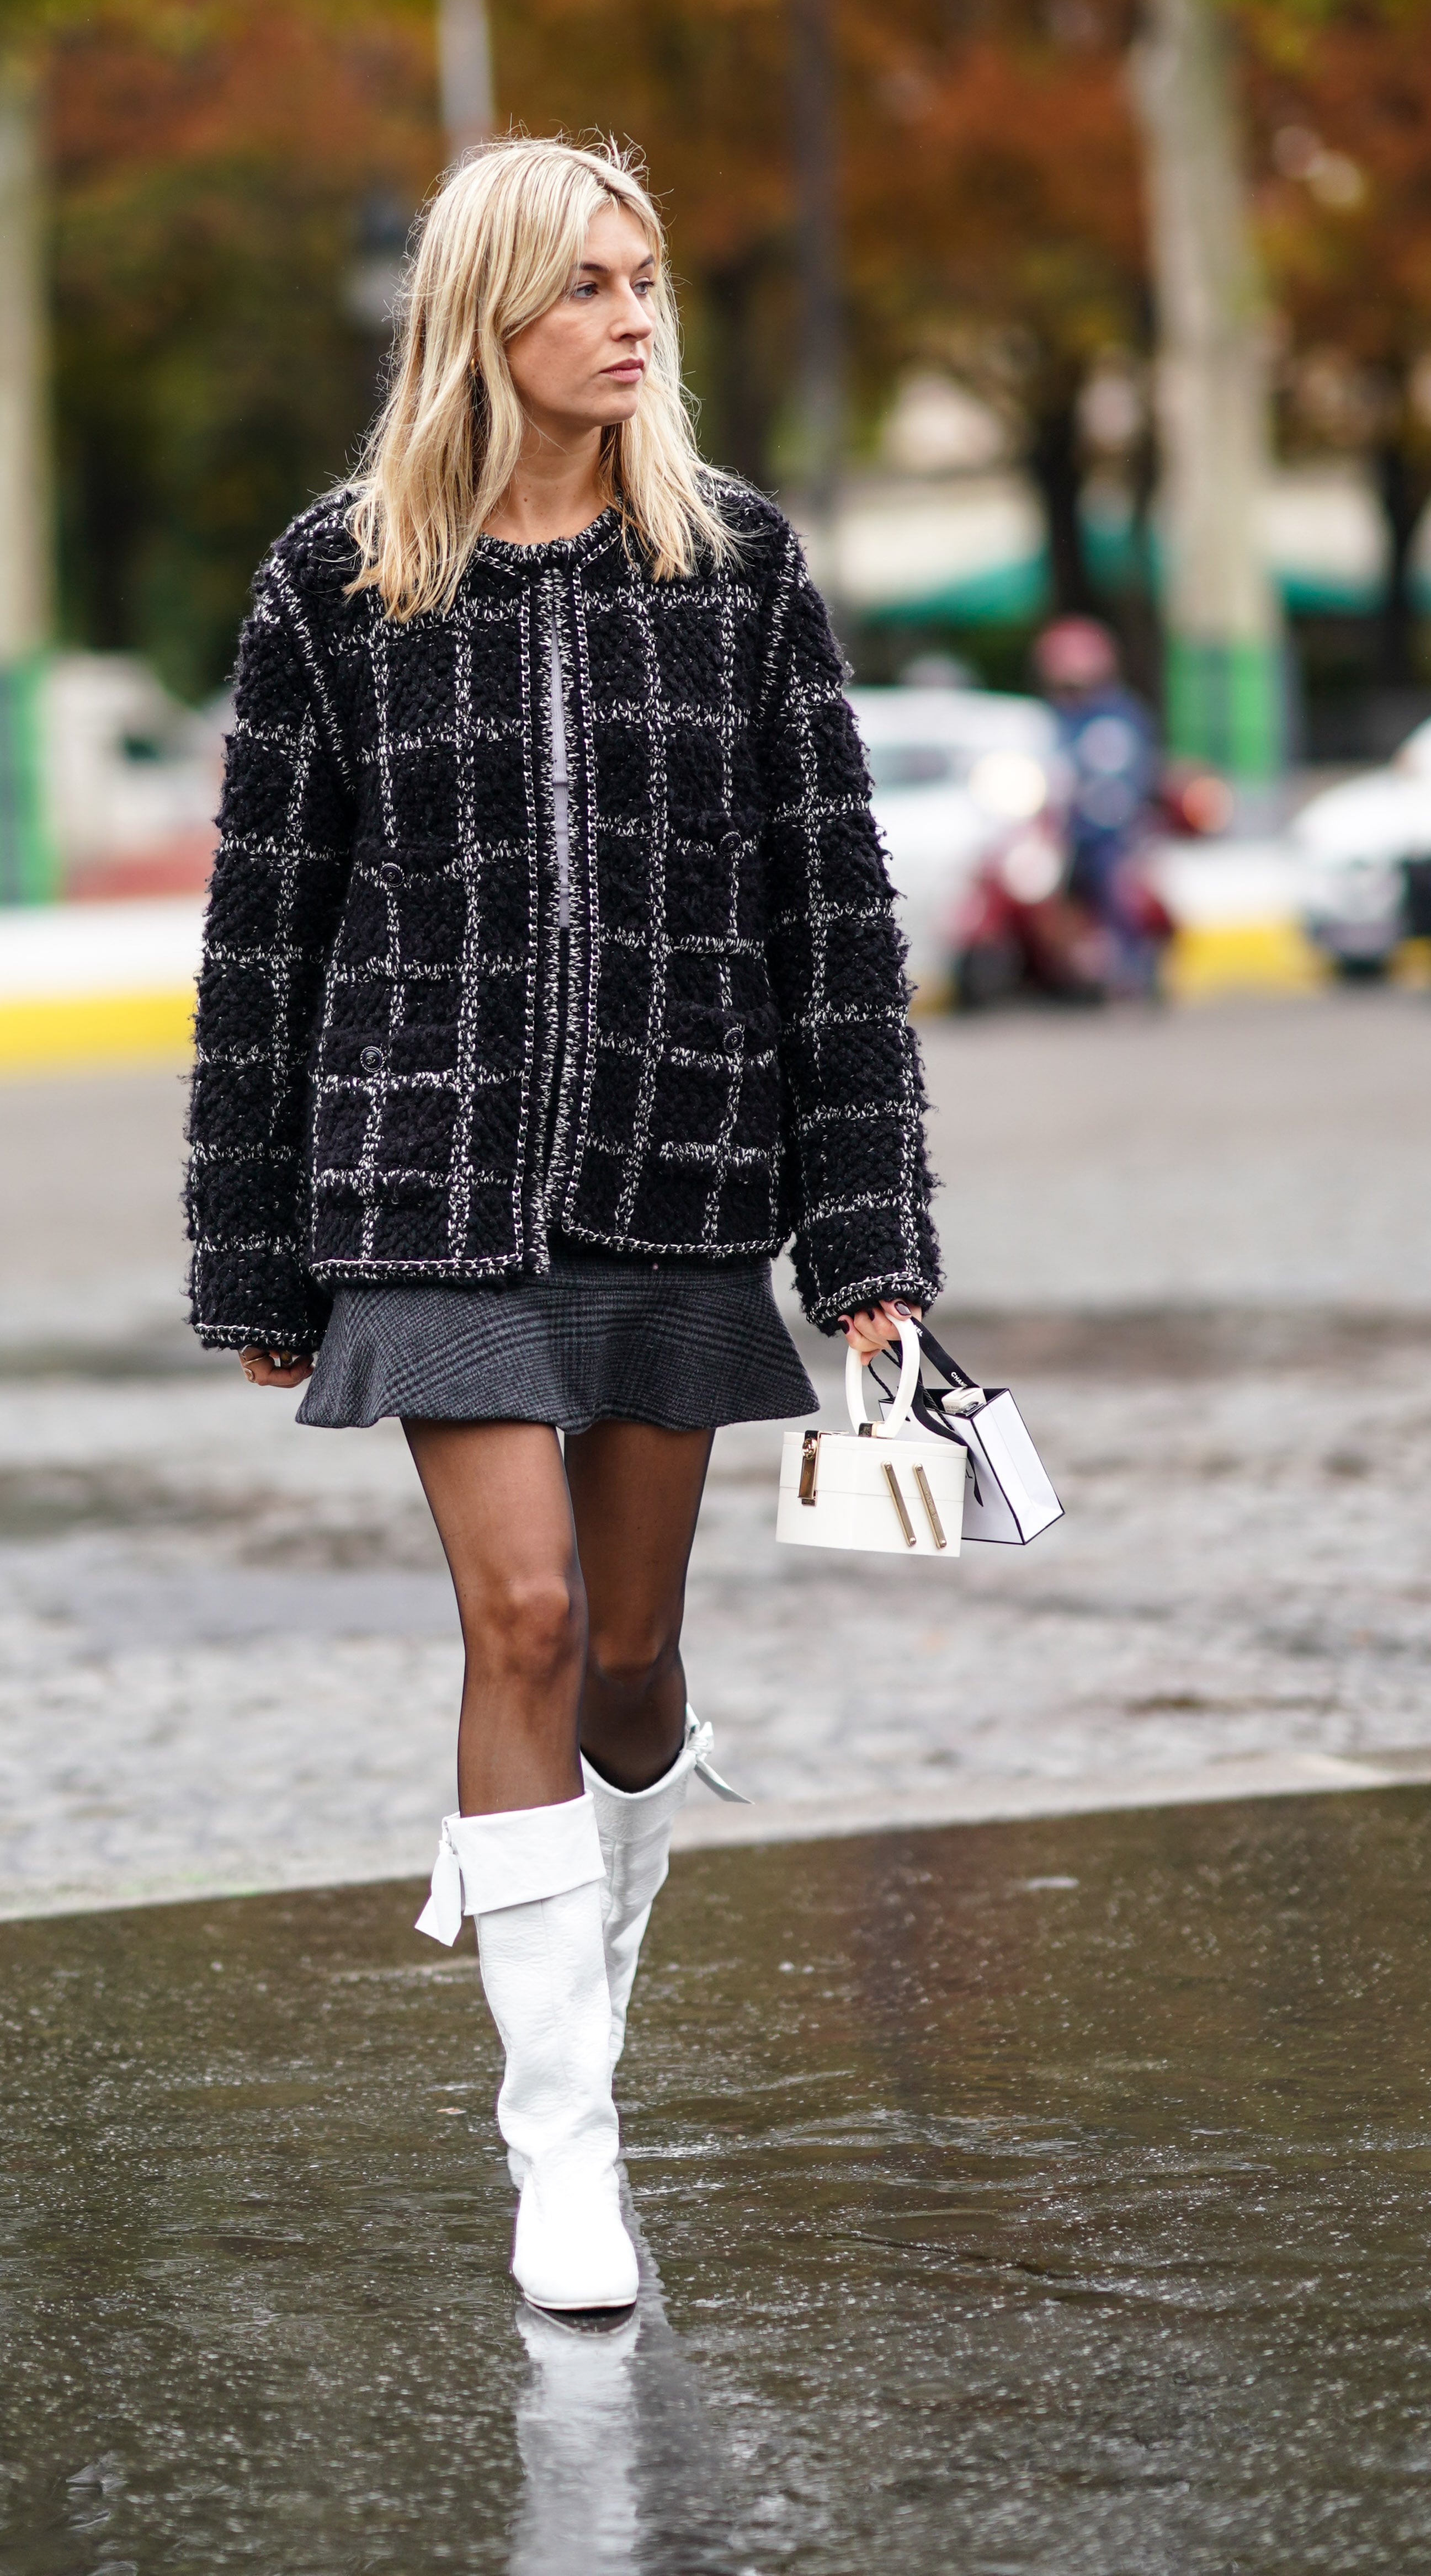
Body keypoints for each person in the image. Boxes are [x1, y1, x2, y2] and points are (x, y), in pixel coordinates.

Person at [185, 137, 941, 2316]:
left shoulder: (735, 566)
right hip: (421, 1186)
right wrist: (252, 1249)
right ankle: (562, 2141)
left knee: (620, 1665)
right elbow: (263, 937)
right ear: (484, 311)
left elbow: (833, 920)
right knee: (515, 1619)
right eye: (586, 284)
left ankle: (591, 1945)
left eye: (645, 280)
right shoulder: (336, 582)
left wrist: (864, 1235)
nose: (629, 319)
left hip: (678, 1178)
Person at [1032, 615, 1162, 997]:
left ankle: (1132, 965)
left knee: (1113, 883)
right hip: (1061, 827)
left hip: (1109, 832)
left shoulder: (1118, 715)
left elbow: (1128, 779)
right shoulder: (1053, 718)